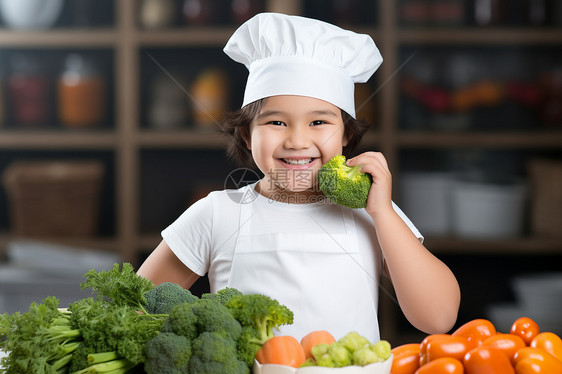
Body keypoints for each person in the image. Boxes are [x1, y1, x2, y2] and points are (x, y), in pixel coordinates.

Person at [138, 12, 460, 342]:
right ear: (247, 136)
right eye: (276, 123)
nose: (296, 141)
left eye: (318, 123)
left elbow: (437, 317)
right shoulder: (217, 213)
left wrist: (383, 214)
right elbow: (136, 309)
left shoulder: (372, 212)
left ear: (346, 135)